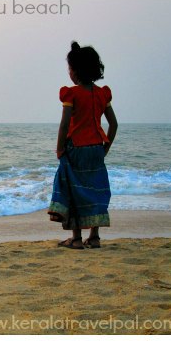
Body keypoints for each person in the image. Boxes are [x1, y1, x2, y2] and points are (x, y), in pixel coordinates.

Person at [48, 41, 118, 250]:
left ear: (76, 71)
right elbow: (113, 124)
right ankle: (94, 237)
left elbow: (64, 125)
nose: (69, 72)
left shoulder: (72, 94)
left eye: (70, 68)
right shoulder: (102, 93)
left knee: (72, 189)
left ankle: (76, 238)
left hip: (75, 148)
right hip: (96, 148)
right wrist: (106, 147)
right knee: (95, 189)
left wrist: (60, 149)